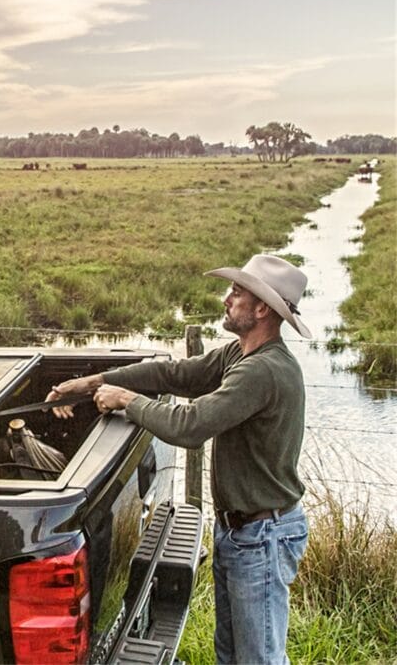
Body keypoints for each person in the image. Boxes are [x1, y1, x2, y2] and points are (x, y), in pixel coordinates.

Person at [46, 254, 311, 665]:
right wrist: (96, 381)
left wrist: (127, 400)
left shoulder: (263, 371)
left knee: (258, 658)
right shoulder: (239, 356)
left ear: (262, 308)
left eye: (236, 293)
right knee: (232, 653)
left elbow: (189, 425)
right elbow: (176, 375)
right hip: (244, 532)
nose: (226, 299)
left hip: (262, 537)